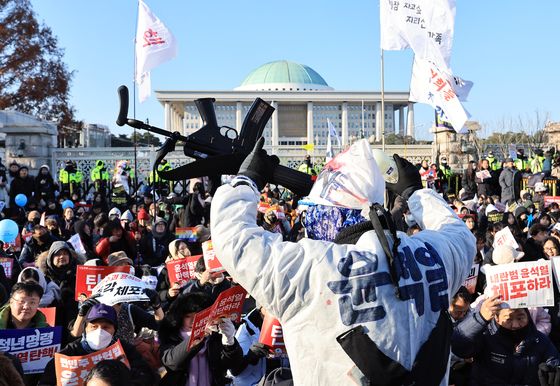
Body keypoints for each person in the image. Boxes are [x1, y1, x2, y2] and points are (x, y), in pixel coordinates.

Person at [210, 138, 476, 385]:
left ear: (331, 215)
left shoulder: (311, 267)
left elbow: (235, 239)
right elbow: (460, 235)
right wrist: (416, 193)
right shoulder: (433, 255)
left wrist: (246, 180)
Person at [39, 303, 157, 386]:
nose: (100, 331)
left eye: (106, 327)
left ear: (114, 330)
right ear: (85, 329)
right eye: (94, 326)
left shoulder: (125, 350)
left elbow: (145, 376)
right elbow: (45, 382)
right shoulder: (68, 354)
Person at [451, 298, 559, 386]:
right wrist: (480, 318)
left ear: (528, 316)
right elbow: (459, 345)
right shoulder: (485, 337)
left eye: (520, 318)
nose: (515, 325)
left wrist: (553, 373)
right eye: (509, 319)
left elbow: (554, 362)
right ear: (497, 318)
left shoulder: (540, 340)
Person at [158, 292, 244, 386]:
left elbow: (233, 365)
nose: (192, 321)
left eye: (197, 316)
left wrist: (229, 343)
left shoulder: (215, 335)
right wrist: (197, 336)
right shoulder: (172, 336)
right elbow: (172, 363)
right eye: (188, 316)